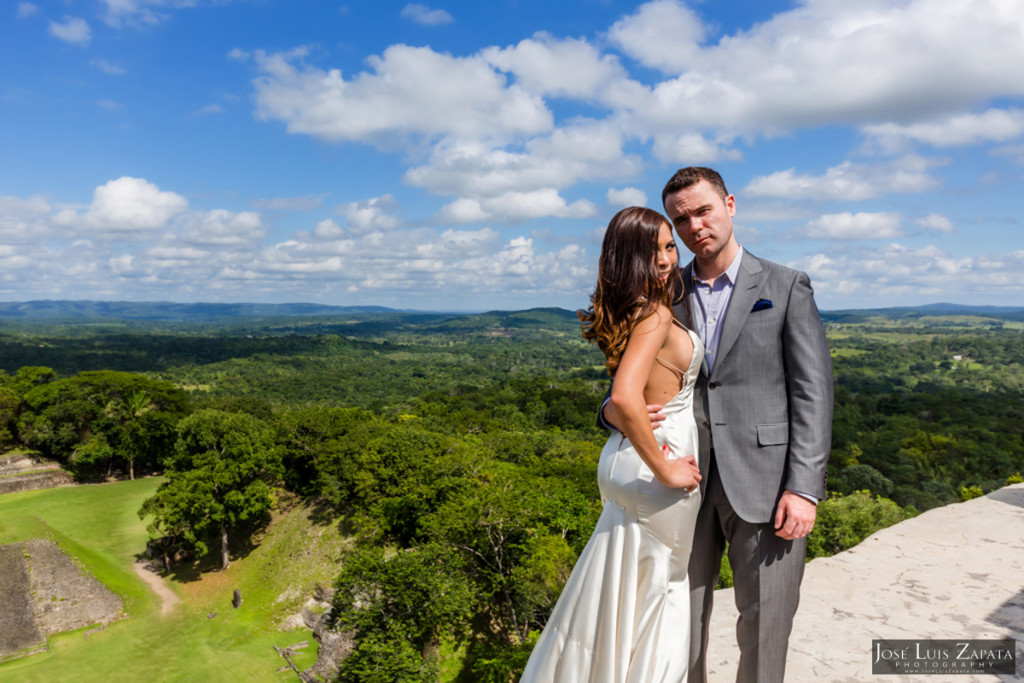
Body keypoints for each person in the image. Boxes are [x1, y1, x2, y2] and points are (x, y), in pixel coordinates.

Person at [602, 167, 834, 682]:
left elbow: (813, 393)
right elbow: (633, 378)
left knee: (765, 626)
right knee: (679, 622)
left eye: (702, 210)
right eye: (680, 219)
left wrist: (804, 487)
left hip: (767, 481)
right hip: (683, 481)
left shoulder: (785, 285)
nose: (693, 227)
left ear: (729, 204)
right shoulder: (665, 288)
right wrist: (609, 411)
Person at [521, 206, 705, 681]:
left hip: (626, 463)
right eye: (653, 249)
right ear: (627, 256)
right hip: (656, 464)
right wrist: (667, 470)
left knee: (621, 593)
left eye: (670, 245)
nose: (666, 258)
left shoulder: (632, 307)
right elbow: (625, 397)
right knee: (661, 594)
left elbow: (623, 397)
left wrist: (612, 413)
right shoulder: (658, 312)